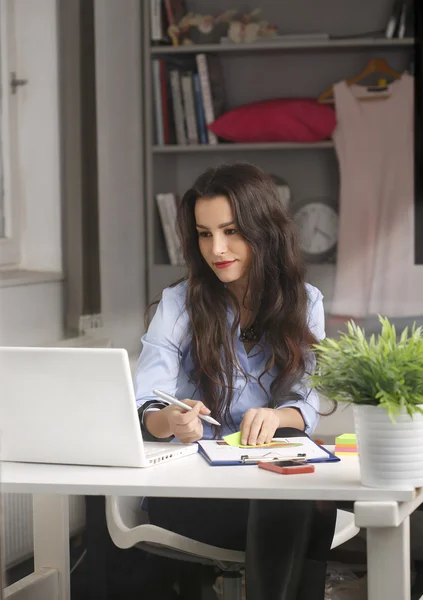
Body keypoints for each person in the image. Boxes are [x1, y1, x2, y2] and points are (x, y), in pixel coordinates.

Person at [135, 163, 336, 600]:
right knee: (301, 506)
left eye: (230, 231)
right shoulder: (178, 304)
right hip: (194, 491)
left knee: (305, 499)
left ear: (263, 231)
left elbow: (308, 397)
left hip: (269, 483)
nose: (217, 248)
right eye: (205, 234)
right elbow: (143, 404)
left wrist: (278, 415)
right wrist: (169, 420)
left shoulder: (305, 303)